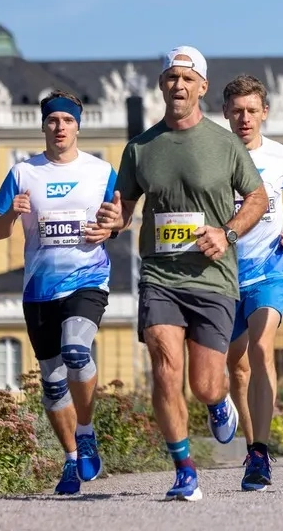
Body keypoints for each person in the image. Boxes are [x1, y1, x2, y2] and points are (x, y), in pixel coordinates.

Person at [96, 46, 269, 502]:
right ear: (161, 85)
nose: (179, 86)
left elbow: (258, 199)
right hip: (160, 275)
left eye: (187, 79)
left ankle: (217, 402)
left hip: (213, 278)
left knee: (204, 382)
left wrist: (227, 234)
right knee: (164, 367)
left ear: (202, 87)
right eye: (172, 78)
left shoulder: (225, 143)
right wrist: (112, 220)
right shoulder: (140, 148)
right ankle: (184, 468)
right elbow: (126, 209)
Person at [0, 90, 116, 495]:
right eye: (52, 121)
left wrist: (110, 228)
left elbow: (122, 215)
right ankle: (70, 460)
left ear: (78, 125)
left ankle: (87, 430)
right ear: (43, 126)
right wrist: (13, 212)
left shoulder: (100, 171)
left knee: (77, 352)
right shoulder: (23, 173)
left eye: (67, 120)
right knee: (53, 381)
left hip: (87, 279)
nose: (59, 127)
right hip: (39, 289)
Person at [220, 74, 283, 491]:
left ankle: (258, 452)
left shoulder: (282, 156)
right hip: (222, 274)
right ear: (225, 113)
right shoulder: (212, 155)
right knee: (233, 369)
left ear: (264, 114)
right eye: (237, 111)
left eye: (252, 111)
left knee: (261, 348)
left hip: (271, 268)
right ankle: (240, 430)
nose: (245, 118)